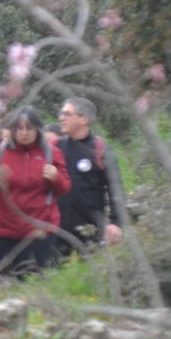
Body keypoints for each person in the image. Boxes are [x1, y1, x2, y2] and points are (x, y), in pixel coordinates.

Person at [0, 107, 72, 276]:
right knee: (7, 281)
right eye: (19, 129)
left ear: (38, 129)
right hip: (7, 228)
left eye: (29, 128)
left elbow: (65, 188)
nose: (24, 133)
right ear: (12, 130)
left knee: (40, 280)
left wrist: (55, 177)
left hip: (41, 228)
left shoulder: (52, 153)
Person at [56, 98, 127, 252]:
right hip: (58, 233)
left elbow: (116, 189)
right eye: (61, 114)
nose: (61, 118)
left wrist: (116, 223)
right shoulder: (56, 147)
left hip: (91, 233)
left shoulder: (100, 149)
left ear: (84, 119)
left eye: (67, 114)